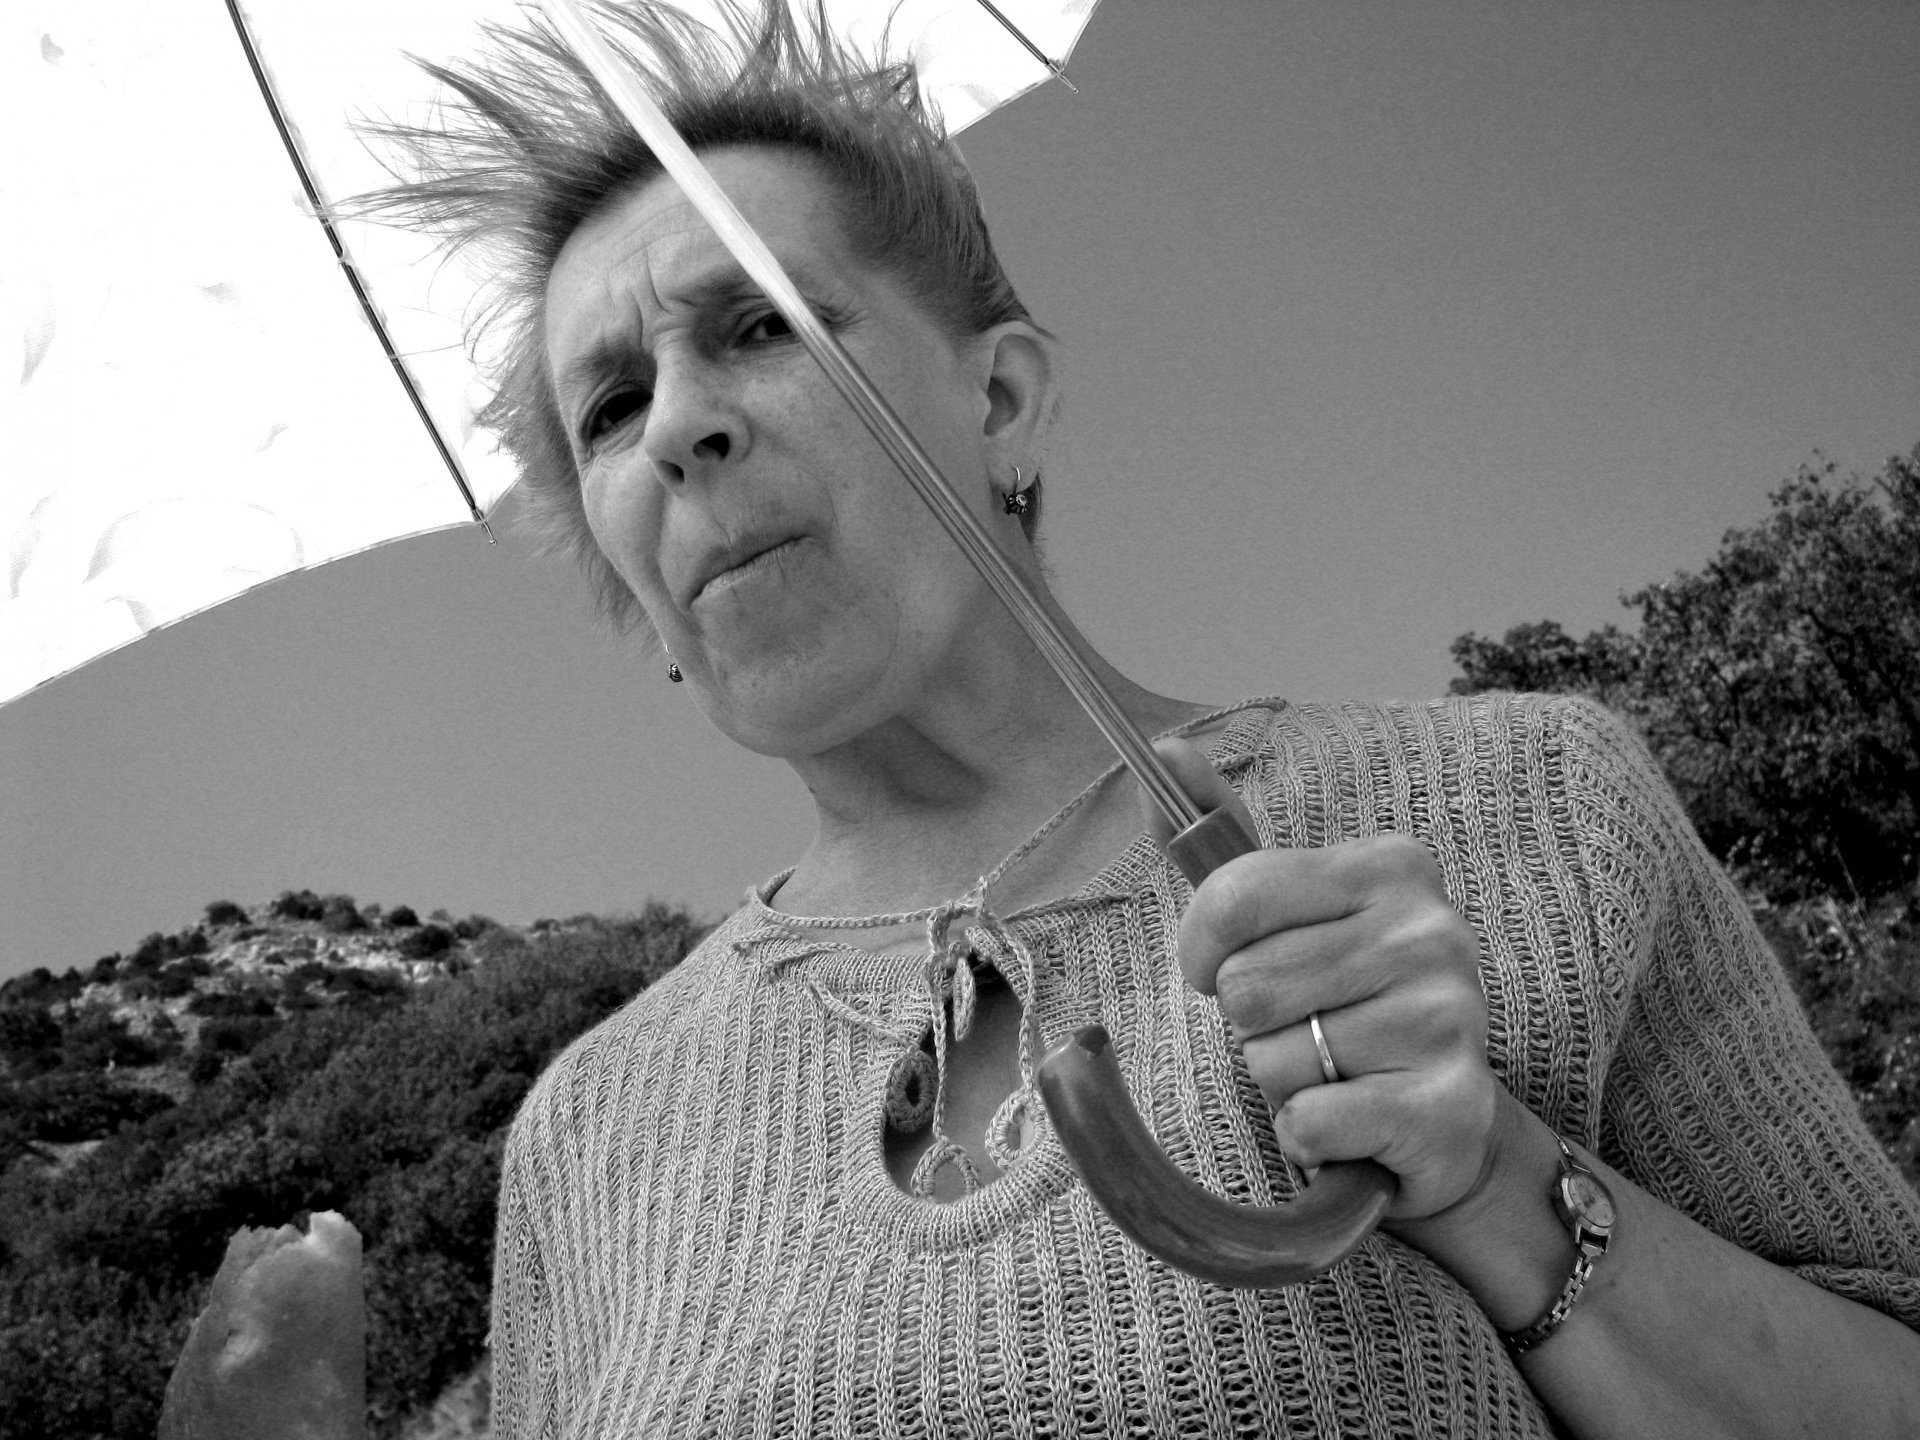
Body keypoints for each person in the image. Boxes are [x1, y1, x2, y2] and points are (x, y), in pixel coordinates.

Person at [356, 4, 1920, 1435]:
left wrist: (1500, 1184)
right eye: (610, 408)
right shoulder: (585, 1138)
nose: (681, 424)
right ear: (633, 587)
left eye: (761, 323)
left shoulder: (1535, 803)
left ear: (1002, 401)